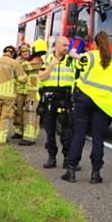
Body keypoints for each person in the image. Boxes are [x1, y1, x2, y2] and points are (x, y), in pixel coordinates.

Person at [61, 31, 112, 183]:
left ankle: (71, 170)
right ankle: (96, 173)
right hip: (104, 102)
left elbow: (80, 69)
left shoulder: (89, 55)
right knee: (98, 137)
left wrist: (75, 55)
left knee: (79, 134)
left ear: (94, 43)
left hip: (85, 98)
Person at [38, 36, 77, 168]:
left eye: (67, 45)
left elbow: (83, 72)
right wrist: (51, 66)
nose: (66, 48)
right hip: (50, 98)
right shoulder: (47, 59)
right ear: (56, 46)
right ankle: (51, 157)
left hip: (66, 98)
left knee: (67, 131)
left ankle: (67, 158)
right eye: (64, 45)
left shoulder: (72, 60)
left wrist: (78, 57)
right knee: (50, 130)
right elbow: (41, 77)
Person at [0, 45, 26, 146]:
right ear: (13, 53)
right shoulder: (15, 63)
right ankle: (0, 141)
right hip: (8, 95)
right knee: (4, 118)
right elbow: (23, 80)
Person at [17, 40, 46, 146]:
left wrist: (17, 64)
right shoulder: (39, 60)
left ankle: (29, 138)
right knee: (33, 115)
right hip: (33, 92)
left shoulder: (37, 60)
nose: (26, 53)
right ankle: (31, 136)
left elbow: (23, 67)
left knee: (31, 114)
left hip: (33, 93)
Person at [12, 42, 30, 139]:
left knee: (29, 112)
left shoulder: (34, 61)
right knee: (18, 111)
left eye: (26, 51)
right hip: (18, 90)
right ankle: (17, 131)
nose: (25, 53)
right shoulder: (16, 62)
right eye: (23, 52)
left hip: (29, 90)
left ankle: (27, 132)